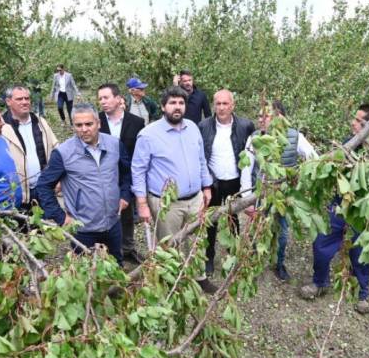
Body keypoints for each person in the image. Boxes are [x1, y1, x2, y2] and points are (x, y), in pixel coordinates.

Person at [299, 103, 369, 314]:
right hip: (341, 204)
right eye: (355, 119)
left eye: (359, 121)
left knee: (361, 251)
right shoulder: (349, 144)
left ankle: (362, 293)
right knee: (321, 241)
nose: (353, 123)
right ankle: (320, 282)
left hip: (365, 210)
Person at [131, 86, 216, 293]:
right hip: (166, 203)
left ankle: (199, 277)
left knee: (198, 240)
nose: (177, 107)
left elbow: (201, 160)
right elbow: (138, 170)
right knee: (169, 245)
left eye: (181, 103)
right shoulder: (148, 135)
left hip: (195, 198)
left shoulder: (192, 128)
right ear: (163, 106)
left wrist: (206, 186)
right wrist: (141, 203)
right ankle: (173, 282)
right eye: (172, 103)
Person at [35, 104, 131, 264]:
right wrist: (60, 217)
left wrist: (125, 195)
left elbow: (126, 173)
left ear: (98, 123)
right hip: (83, 229)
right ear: (73, 126)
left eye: (88, 124)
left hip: (113, 223)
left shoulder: (114, 145)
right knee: (87, 272)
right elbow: (43, 186)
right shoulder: (64, 153)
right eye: (78, 125)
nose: (84, 129)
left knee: (115, 265)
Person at [240, 100, 318, 280]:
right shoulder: (255, 137)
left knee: (282, 231)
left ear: (279, 117)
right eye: (259, 115)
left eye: (265, 115)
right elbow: (246, 169)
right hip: (260, 192)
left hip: (284, 195)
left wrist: (300, 176)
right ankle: (253, 259)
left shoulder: (295, 136)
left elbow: (314, 159)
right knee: (256, 227)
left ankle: (278, 262)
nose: (260, 119)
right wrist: (246, 197)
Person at [198, 90, 255, 276]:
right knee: (211, 221)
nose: (221, 108)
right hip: (213, 182)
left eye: (225, 104)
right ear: (214, 105)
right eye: (218, 104)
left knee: (233, 218)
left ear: (232, 105)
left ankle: (234, 254)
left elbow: (251, 155)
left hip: (234, 181)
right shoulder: (204, 126)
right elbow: (200, 155)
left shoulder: (245, 126)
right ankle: (209, 256)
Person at [98, 82, 145, 264]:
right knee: (105, 214)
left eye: (106, 97)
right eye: (100, 98)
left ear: (118, 99)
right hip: (103, 177)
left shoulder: (136, 122)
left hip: (128, 176)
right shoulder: (96, 121)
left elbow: (141, 152)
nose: (102, 102)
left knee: (127, 214)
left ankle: (128, 248)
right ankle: (106, 251)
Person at [1, 85, 58, 207]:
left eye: (27, 98)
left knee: (44, 224)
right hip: (17, 194)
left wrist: (58, 178)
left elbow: (56, 149)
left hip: (43, 189)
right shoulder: (1, 128)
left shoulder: (40, 122)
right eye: (19, 99)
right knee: (21, 225)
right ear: (8, 101)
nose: (24, 102)